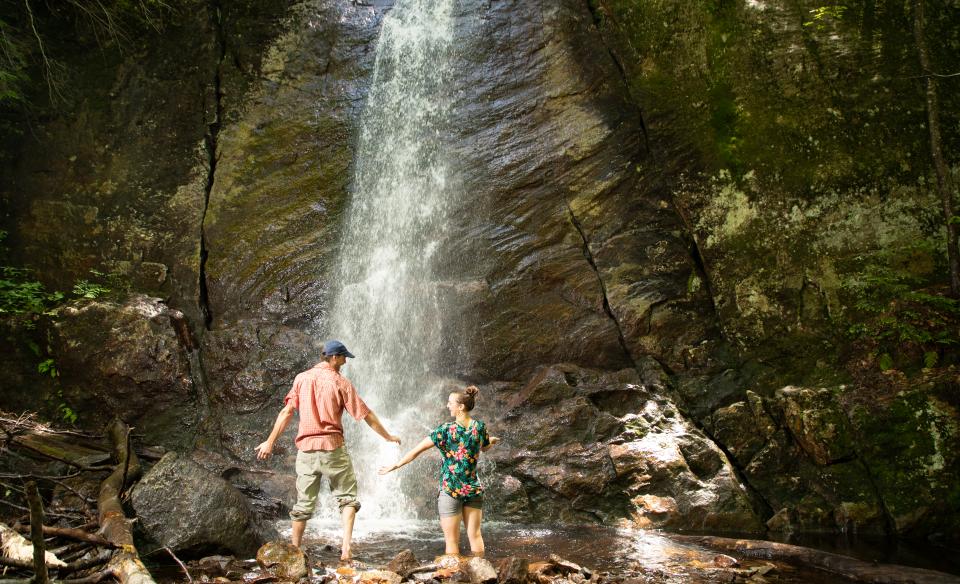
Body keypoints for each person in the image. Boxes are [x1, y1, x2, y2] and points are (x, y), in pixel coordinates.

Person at [255, 339, 401, 559]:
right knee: (347, 498)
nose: (345, 362)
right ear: (334, 357)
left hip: (306, 449)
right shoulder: (340, 382)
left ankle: (295, 550)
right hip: (333, 447)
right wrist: (387, 436)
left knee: (303, 503)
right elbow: (365, 414)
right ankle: (346, 549)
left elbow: (286, 412)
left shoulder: (301, 379)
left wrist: (269, 442)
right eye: (343, 357)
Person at [379, 386, 499, 557]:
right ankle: (481, 573)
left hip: (450, 489)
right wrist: (491, 440)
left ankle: (454, 577)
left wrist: (396, 465)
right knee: (475, 536)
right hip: (473, 489)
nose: (447, 406)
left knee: (452, 541)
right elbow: (485, 447)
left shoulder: (445, 430)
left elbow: (416, 450)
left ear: (461, 407)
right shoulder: (480, 427)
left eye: (450, 403)